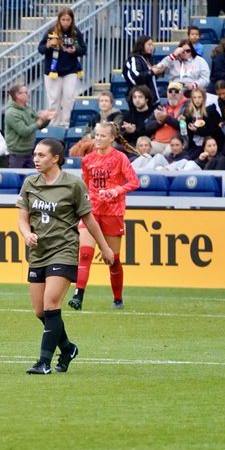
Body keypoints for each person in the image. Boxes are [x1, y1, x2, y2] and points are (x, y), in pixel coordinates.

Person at [17, 138, 115, 375]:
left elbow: (89, 219)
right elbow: (22, 217)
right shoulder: (30, 183)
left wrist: (105, 247)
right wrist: (27, 233)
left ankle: (43, 362)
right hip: (38, 252)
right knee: (40, 311)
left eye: (41, 155)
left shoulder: (73, 184)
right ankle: (68, 348)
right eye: (35, 154)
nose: (36, 159)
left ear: (55, 158)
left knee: (51, 304)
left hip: (64, 250)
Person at [68, 122, 139, 312]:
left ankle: (117, 298)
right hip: (91, 211)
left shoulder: (120, 158)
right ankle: (78, 296)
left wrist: (116, 190)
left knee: (112, 259)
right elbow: (86, 184)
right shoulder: (87, 160)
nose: (98, 139)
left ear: (112, 138)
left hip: (113, 212)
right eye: (96, 135)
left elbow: (134, 182)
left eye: (102, 136)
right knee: (84, 254)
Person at [38, 8, 86, 127]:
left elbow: (83, 49)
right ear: (59, 20)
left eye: (68, 20)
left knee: (68, 98)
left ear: (72, 20)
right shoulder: (51, 31)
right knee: (54, 100)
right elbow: (41, 49)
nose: (65, 22)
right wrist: (48, 45)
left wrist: (75, 50)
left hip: (70, 70)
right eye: (63, 19)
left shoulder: (75, 32)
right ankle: (54, 124)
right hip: (53, 70)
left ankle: (65, 123)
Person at [5, 83, 55, 168]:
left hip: (30, 151)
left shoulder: (28, 107)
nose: (29, 94)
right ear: (18, 95)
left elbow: (38, 124)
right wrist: (39, 122)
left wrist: (46, 118)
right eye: (25, 92)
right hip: (17, 154)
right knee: (16, 179)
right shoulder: (11, 113)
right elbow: (24, 131)